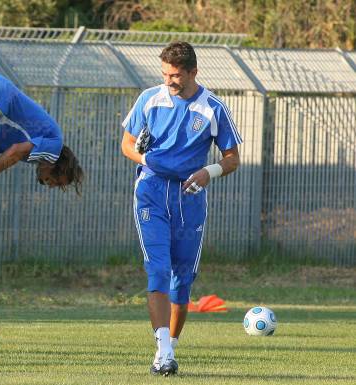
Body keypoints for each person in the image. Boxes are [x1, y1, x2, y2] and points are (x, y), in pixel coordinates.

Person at [120, 41, 242, 376]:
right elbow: (127, 144)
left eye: (175, 75)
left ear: (192, 72)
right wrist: (147, 158)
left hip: (190, 196)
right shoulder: (149, 99)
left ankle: (169, 348)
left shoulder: (213, 107)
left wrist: (208, 172)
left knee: (182, 280)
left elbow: (232, 159)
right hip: (151, 192)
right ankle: (162, 353)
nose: (169, 81)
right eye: (165, 74)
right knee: (157, 270)